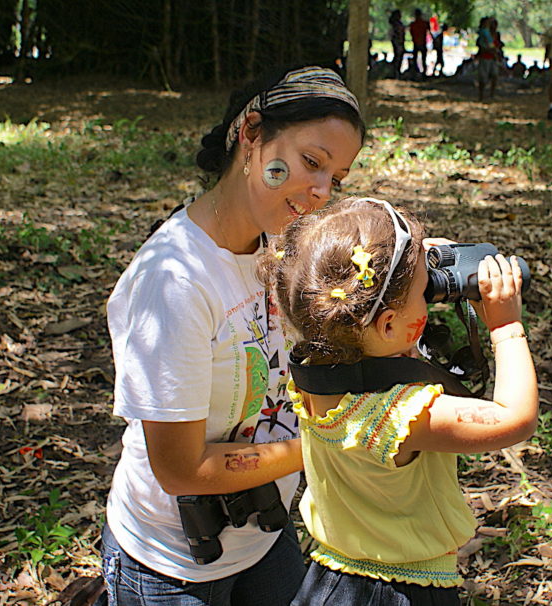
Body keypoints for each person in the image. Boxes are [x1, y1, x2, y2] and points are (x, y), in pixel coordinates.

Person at [98, 66, 366, 606]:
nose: (319, 193)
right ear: (250, 133)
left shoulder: (278, 248)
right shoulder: (174, 283)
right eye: (311, 162)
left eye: (335, 178)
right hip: (171, 564)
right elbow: (180, 468)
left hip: (262, 535)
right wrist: (329, 442)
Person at [258, 197, 539, 605]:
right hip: (394, 591)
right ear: (389, 325)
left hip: (330, 578)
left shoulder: (316, 367)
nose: (431, 299)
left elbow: (385, 346)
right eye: (425, 293)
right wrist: (507, 326)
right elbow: (515, 419)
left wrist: (410, 268)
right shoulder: (397, 414)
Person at [475, 17, 498, 101]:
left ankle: (491, 95)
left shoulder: (494, 35)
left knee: (494, 75)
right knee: (483, 78)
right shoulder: (484, 34)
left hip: (493, 58)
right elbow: (481, 45)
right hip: (485, 57)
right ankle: (481, 96)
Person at [409, 8, 430, 77]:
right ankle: (423, 73)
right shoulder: (425, 23)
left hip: (416, 43)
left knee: (415, 59)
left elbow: (411, 34)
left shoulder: (413, 24)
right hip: (422, 43)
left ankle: (416, 72)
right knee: (423, 59)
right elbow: (428, 31)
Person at [389, 9, 406, 78]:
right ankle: (396, 72)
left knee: (398, 56)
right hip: (398, 42)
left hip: (398, 42)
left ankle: (396, 71)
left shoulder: (396, 24)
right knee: (398, 56)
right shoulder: (396, 24)